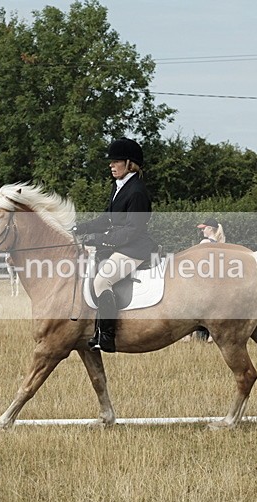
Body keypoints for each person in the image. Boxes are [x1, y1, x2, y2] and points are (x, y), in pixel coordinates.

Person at [73, 138, 157, 353]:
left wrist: (100, 240)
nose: (111, 165)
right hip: (121, 245)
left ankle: (107, 336)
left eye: (116, 161)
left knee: (102, 281)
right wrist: (78, 228)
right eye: (111, 162)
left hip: (134, 248)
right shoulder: (119, 187)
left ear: (130, 164)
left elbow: (132, 230)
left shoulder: (137, 191)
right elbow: (106, 220)